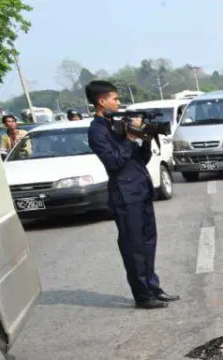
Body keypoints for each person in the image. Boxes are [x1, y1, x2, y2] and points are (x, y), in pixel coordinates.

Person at [85, 80, 177, 310]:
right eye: (115, 99)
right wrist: (130, 138)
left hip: (141, 190)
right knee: (133, 247)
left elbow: (139, 160)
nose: (118, 103)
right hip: (125, 196)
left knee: (148, 243)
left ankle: (153, 287)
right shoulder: (97, 130)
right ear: (101, 101)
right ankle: (142, 295)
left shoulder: (117, 124)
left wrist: (146, 138)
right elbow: (114, 162)